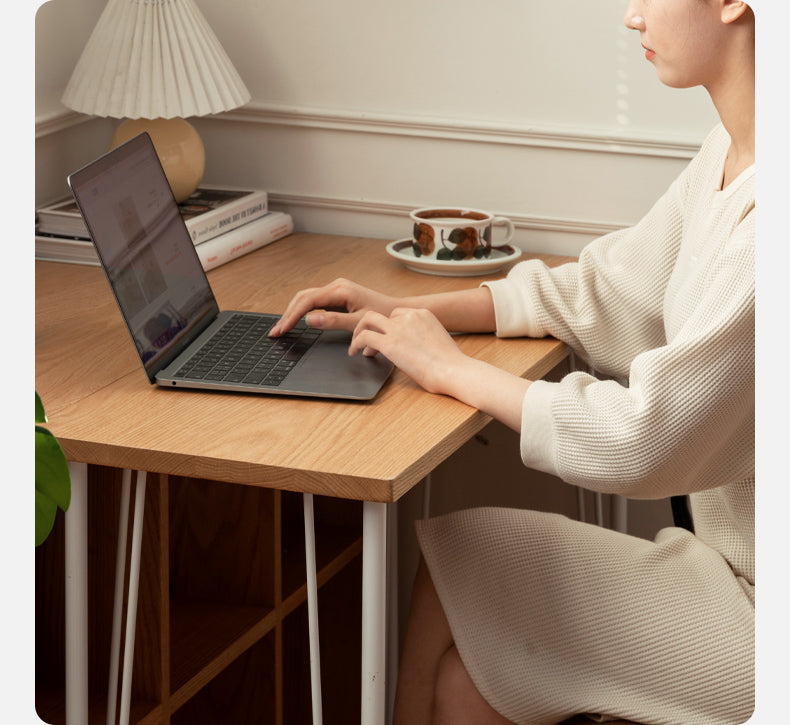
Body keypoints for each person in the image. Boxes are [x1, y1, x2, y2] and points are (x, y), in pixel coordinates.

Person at [270, 0, 755, 722]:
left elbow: (643, 436)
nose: (631, 16)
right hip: (730, 570)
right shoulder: (733, 150)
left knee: (461, 557)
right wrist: (415, 313)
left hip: (758, 617)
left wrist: (449, 369)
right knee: (467, 687)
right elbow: (609, 289)